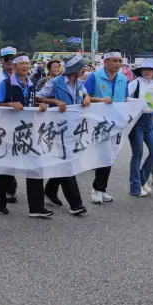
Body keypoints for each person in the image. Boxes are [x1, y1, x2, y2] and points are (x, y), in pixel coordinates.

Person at [0, 53, 54, 218]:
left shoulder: (31, 83)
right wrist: (9, 104)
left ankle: (36, 207)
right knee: (7, 169)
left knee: (35, 167)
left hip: (29, 131)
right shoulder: (5, 84)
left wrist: (39, 105)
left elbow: (30, 103)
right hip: (9, 132)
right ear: (13, 67)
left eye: (27, 64)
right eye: (22, 64)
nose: (26, 67)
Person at [35, 54, 90, 215]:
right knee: (67, 164)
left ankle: (50, 190)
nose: (84, 70)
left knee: (64, 162)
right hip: (58, 128)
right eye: (82, 67)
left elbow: (85, 94)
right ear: (75, 69)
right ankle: (76, 204)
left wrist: (86, 98)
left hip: (75, 127)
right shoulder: (55, 83)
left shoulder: (80, 83)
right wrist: (55, 102)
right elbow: (38, 96)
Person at [84, 49, 128, 204]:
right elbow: (85, 97)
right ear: (105, 62)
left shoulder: (123, 79)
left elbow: (125, 99)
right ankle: (97, 189)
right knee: (105, 156)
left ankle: (101, 189)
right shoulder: (94, 77)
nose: (117, 64)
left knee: (109, 157)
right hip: (99, 124)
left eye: (120, 61)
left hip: (116, 124)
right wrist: (100, 100)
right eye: (114, 61)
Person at [126, 59, 153, 198]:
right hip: (136, 121)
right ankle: (135, 187)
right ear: (141, 70)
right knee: (138, 154)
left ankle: (142, 179)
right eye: (145, 69)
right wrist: (139, 103)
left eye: (151, 69)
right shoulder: (134, 83)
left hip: (150, 120)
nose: (147, 71)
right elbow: (124, 99)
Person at [0, 47, 18, 205]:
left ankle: (8, 186)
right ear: (1, 61)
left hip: (18, 123)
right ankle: (5, 186)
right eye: (7, 59)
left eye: (13, 59)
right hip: (0, 122)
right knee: (3, 155)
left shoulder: (23, 77)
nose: (10, 62)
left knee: (13, 154)